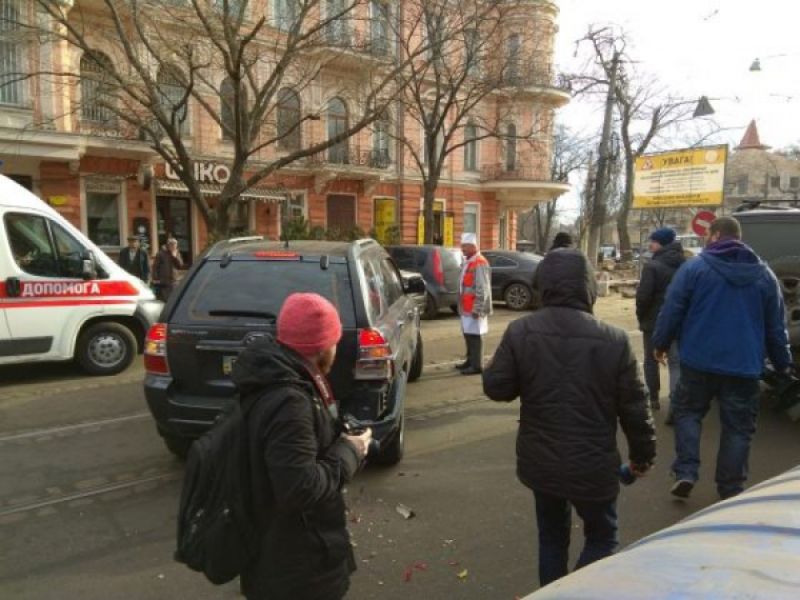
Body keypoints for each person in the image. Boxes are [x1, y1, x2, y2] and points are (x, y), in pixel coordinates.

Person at [483, 249, 656, 587]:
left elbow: (496, 388)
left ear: (543, 284)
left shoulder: (521, 331)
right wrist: (643, 456)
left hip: (541, 462)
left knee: (551, 537)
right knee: (603, 537)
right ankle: (576, 591)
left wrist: (498, 363)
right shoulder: (615, 341)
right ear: (588, 286)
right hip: (593, 465)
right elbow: (636, 408)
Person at [231, 293, 373, 600]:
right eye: (335, 341)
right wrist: (351, 450)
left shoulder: (276, 379)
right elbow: (300, 488)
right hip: (298, 567)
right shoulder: (290, 402)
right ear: (323, 347)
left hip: (276, 553)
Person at [652, 216, 792, 500]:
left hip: (698, 360)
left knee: (688, 413)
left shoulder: (695, 269)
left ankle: (686, 471)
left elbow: (672, 309)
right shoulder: (765, 276)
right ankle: (730, 488)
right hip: (744, 366)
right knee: (738, 428)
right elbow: (776, 327)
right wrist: (782, 362)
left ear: (715, 236)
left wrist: (660, 343)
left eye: (707, 235)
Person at [635, 227, 685, 412]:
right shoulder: (685, 265)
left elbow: (643, 297)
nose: (650, 245)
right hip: (678, 321)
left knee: (651, 360)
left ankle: (653, 398)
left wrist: (641, 316)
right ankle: (676, 406)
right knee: (676, 362)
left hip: (653, 322)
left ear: (662, 243)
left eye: (653, 241)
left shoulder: (652, 266)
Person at [456, 232, 492, 376]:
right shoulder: (469, 261)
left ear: (473, 246)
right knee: (468, 334)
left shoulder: (479, 262)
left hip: (474, 308)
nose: (462, 249)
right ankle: (470, 361)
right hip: (467, 307)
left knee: (475, 336)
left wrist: (478, 309)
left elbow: (482, 289)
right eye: (462, 245)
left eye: (465, 246)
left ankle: (477, 365)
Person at [151, 237, 183, 301]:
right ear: (168, 245)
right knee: (164, 299)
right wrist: (155, 278)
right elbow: (155, 267)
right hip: (163, 281)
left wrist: (174, 257)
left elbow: (180, 266)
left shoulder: (177, 253)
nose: (174, 247)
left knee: (173, 299)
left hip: (173, 281)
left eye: (175, 245)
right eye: (172, 245)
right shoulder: (161, 254)